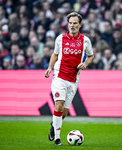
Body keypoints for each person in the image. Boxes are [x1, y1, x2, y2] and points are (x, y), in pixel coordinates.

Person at [44, 12, 94, 146]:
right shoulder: (60, 39)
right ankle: (57, 139)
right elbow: (55, 54)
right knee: (58, 105)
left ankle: (53, 125)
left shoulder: (85, 40)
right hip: (59, 76)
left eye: (75, 23)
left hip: (73, 79)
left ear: (80, 25)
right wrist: (50, 67)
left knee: (64, 112)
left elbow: (91, 56)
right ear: (68, 24)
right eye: (70, 23)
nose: (72, 26)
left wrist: (85, 64)